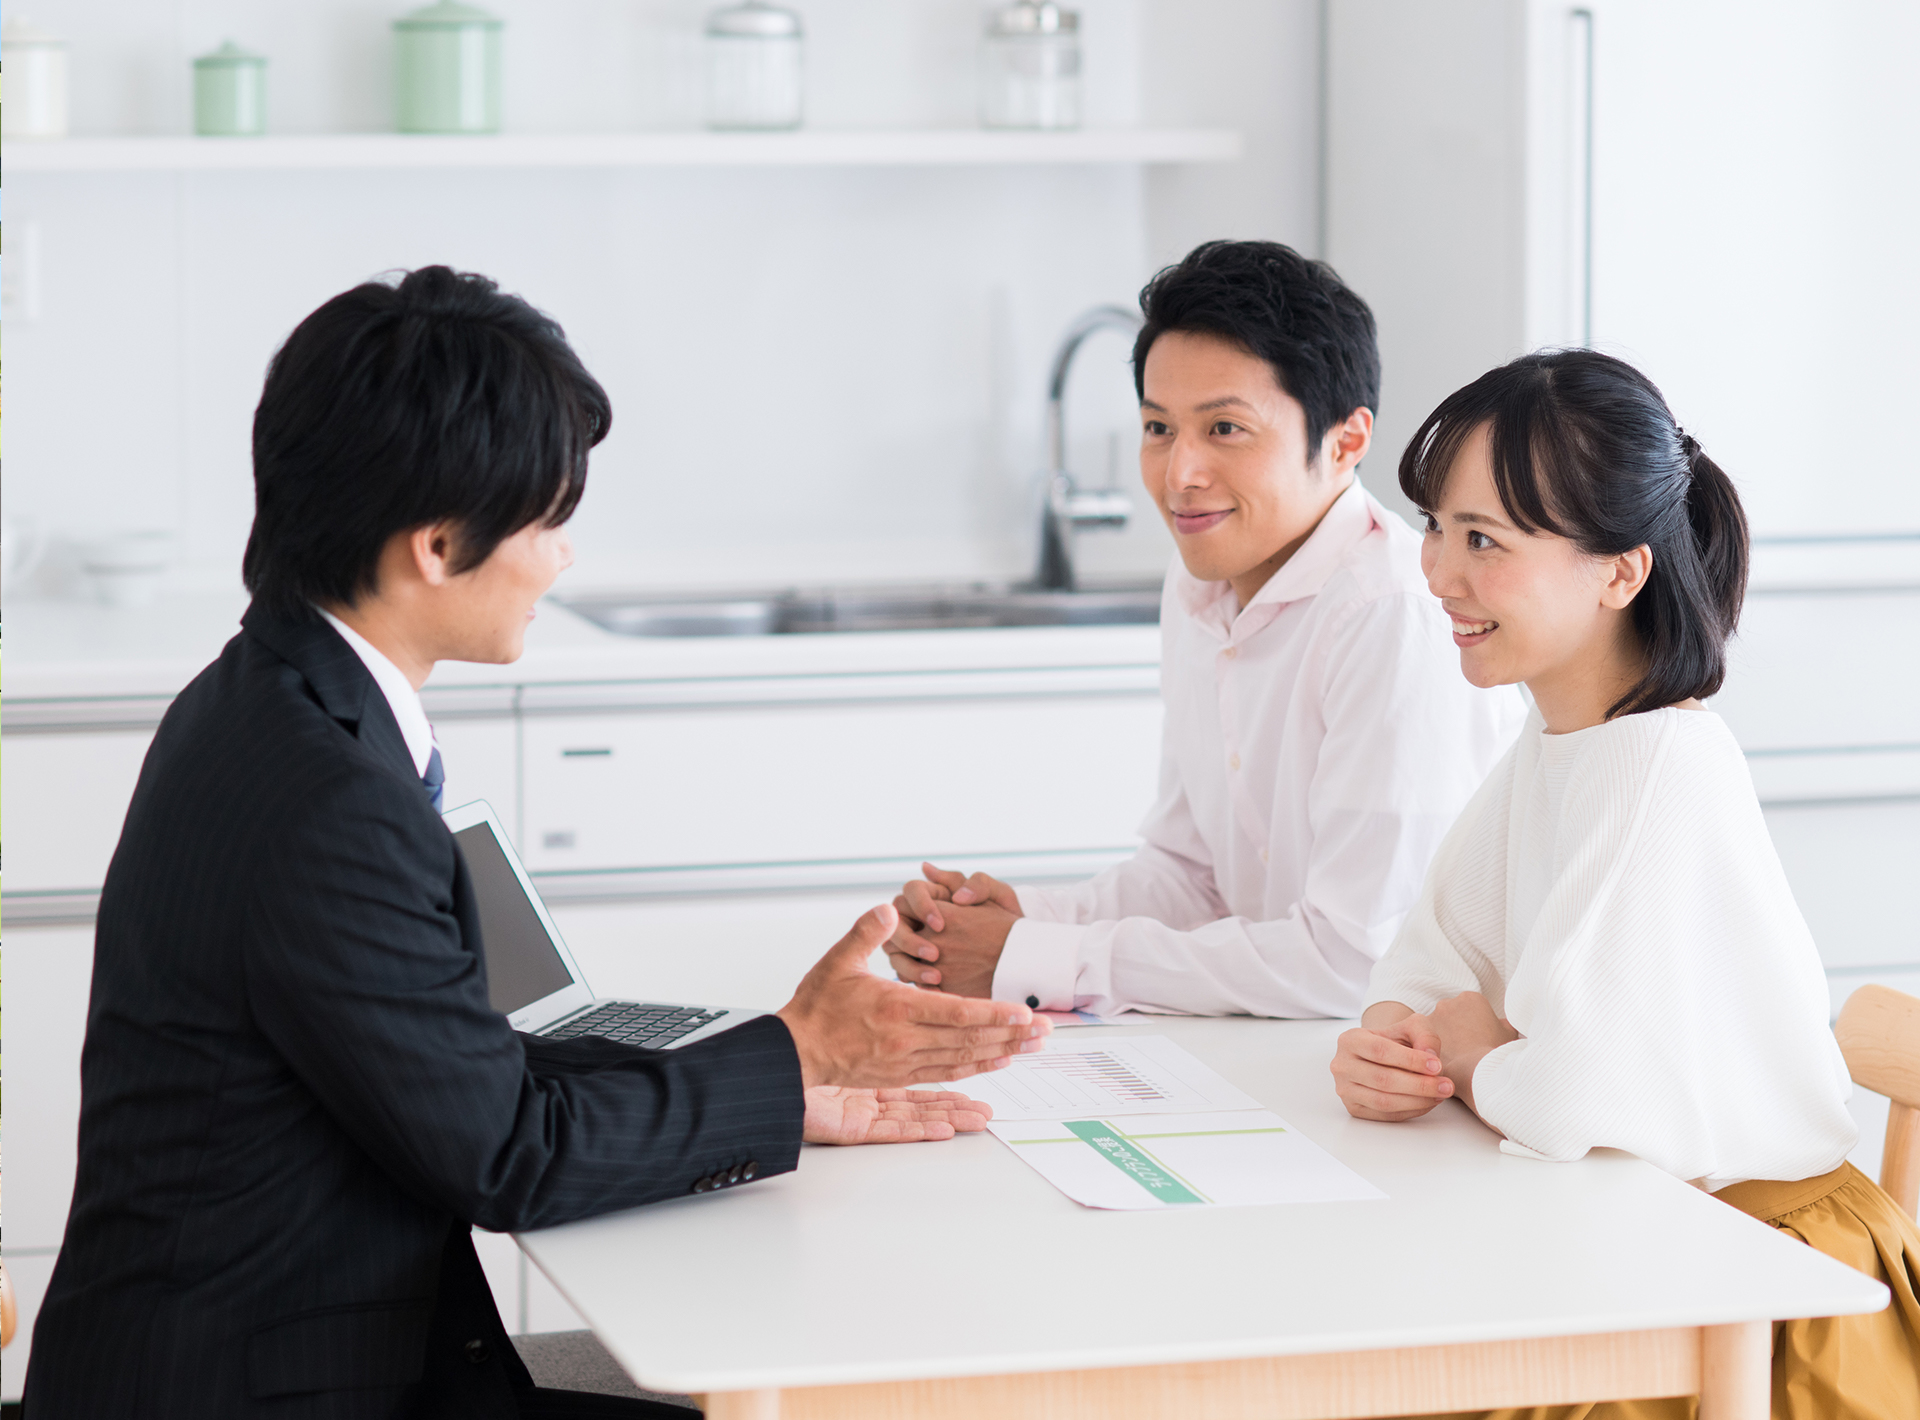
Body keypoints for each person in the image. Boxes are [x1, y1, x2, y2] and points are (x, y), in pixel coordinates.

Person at [23, 267, 1050, 1420]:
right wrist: (793, 1055)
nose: (562, 560)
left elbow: (452, 1059)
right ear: (437, 543)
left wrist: (774, 1076)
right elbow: (509, 1153)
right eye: (550, 518)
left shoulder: (274, 695)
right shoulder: (327, 796)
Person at [1330, 349, 1920, 1420]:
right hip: (1643, 1255)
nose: (1439, 574)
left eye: (1485, 542)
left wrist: (1467, 1050)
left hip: (1759, 1297)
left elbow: (1576, 1100)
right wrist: (1393, 1043)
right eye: (1438, 528)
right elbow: (1427, 960)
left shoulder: (1664, 769)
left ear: (1619, 573)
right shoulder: (1557, 744)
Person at [883, 240, 1525, 1018]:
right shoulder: (1197, 584)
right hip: (1282, 1049)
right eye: (1158, 427)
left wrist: (1039, 957)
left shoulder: (1392, 614)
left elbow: (1352, 963)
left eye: (1224, 429)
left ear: (1347, 442)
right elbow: (1194, 878)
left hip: (1404, 1068)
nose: (1178, 473)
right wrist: (1014, 922)